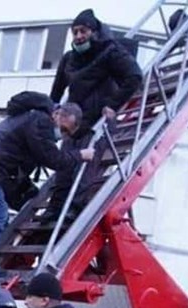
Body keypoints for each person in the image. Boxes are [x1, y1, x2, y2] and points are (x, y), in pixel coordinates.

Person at [40, 8, 144, 223]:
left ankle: (74, 210)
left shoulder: (110, 51)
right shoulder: (69, 59)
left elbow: (134, 76)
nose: (79, 36)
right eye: (75, 32)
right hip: (72, 121)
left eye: (83, 31)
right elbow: (57, 90)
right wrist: (52, 114)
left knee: (87, 168)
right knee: (65, 165)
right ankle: (55, 208)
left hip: (98, 120)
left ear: (94, 32)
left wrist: (113, 104)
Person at [0, 96, 95, 259]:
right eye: (63, 129)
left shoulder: (36, 117)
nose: (63, 136)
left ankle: (9, 242)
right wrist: (80, 155)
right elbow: (52, 159)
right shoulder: (41, 122)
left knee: (28, 198)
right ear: (57, 114)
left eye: (67, 134)